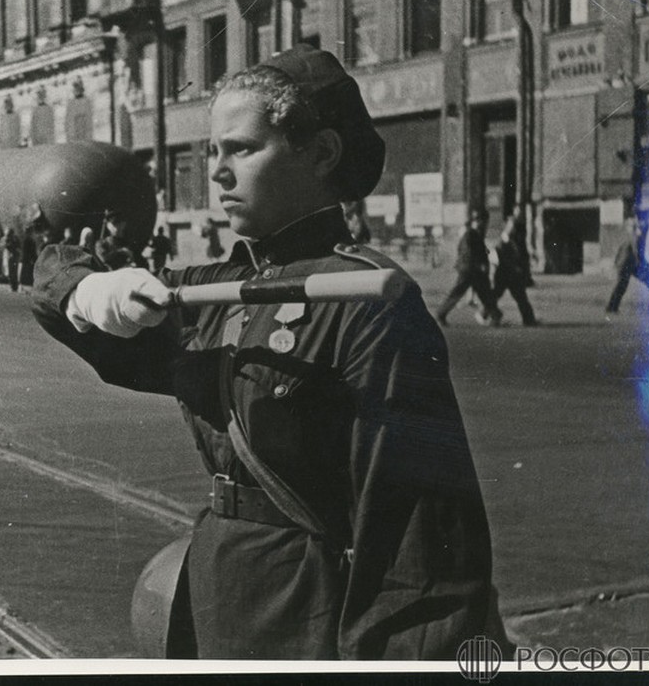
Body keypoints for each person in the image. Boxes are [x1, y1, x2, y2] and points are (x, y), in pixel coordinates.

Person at [32, 44, 510, 660]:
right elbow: (56, 294)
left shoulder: (366, 299)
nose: (218, 173)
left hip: (305, 613)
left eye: (242, 149)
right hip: (216, 596)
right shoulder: (209, 291)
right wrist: (89, 289)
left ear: (321, 154)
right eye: (213, 151)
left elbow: (413, 542)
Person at [434, 209, 502, 327]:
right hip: (470, 270)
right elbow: (468, 252)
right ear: (478, 221)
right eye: (484, 221)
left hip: (473, 269)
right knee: (460, 292)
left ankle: (496, 315)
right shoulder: (470, 234)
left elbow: (477, 250)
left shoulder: (475, 233)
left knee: (483, 292)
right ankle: (440, 313)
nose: (485, 224)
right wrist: (479, 264)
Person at [606, 215, 649, 314]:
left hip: (628, 264)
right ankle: (611, 307)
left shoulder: (633, 234)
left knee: (622, 286)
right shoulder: (637, 235)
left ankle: (611, 307)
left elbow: (626, 250)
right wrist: (642, 263)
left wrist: (617, 263)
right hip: (629, 264)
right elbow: (636, 250)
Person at [491, 215, 537, 326]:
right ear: (506, 226)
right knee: (497, 295)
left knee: (521, 296)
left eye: (514, 226)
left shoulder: (514, 240)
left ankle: (529, 320)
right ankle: (485, 313)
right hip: (504, 274)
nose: (513, 229)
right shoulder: (503, 240)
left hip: (512, 275)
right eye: (511, 226)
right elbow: (500, 257)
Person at [1, 228, 22, 292]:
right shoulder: (8, 239)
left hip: (12, 257)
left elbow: (16, 247)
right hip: (11, 257)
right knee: (11, 272)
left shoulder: (12, 239)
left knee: (12, 272)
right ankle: (13, 286)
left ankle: (14, 286)